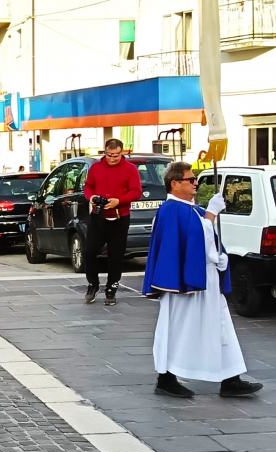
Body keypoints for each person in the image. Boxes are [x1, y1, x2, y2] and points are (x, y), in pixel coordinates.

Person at [143, 161, 263, 399]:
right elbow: (193, 238)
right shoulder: (170, 210)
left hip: (206, 279)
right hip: (183, 282)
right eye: (190, 179)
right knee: (177, 328)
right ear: (175, 184)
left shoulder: (192, 210)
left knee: (221, 326)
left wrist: (220, 256)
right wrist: (210, 214)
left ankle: (231, 377)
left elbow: (207, 239)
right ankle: (166, 378)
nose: (195, 183)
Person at [83, 139, 142, 306]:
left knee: (116, 255)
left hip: (119, 217)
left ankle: (111, 288)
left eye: (116, 155)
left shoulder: (130, 169)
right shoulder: (96, 167)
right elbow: (88, 187)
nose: (113, 158)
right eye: (109, 155)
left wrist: (119, 200)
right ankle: (93, 284)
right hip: (98, 216)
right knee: (89, 251)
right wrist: (92, 197)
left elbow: (136, 192)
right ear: (105, 152)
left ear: (122, 152)